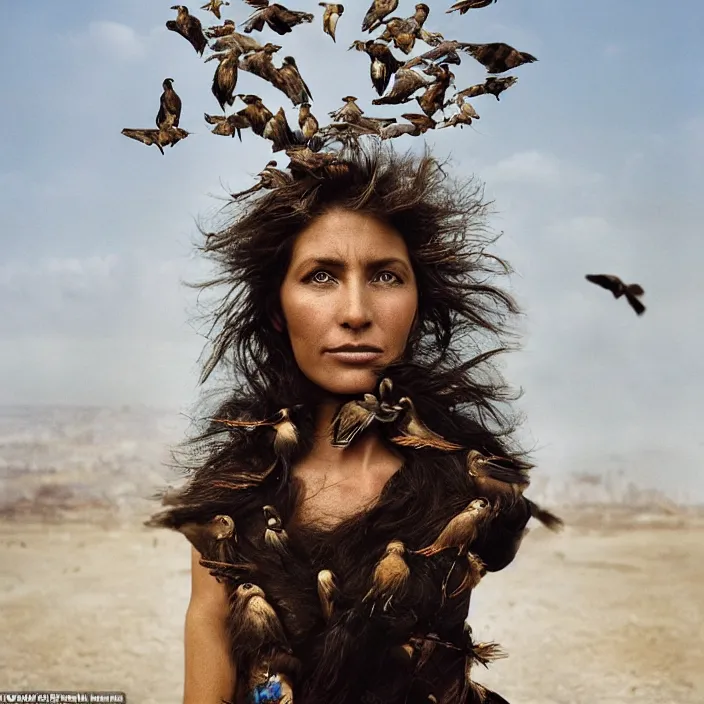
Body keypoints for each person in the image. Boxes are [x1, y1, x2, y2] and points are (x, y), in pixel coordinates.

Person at [146, 141, 560, 704]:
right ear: (276, 308)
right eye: (321, 276)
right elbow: (210, 657)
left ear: (419, 301)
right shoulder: (234, 493)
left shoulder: (470, 483)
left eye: (387, 277)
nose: (357, 313)